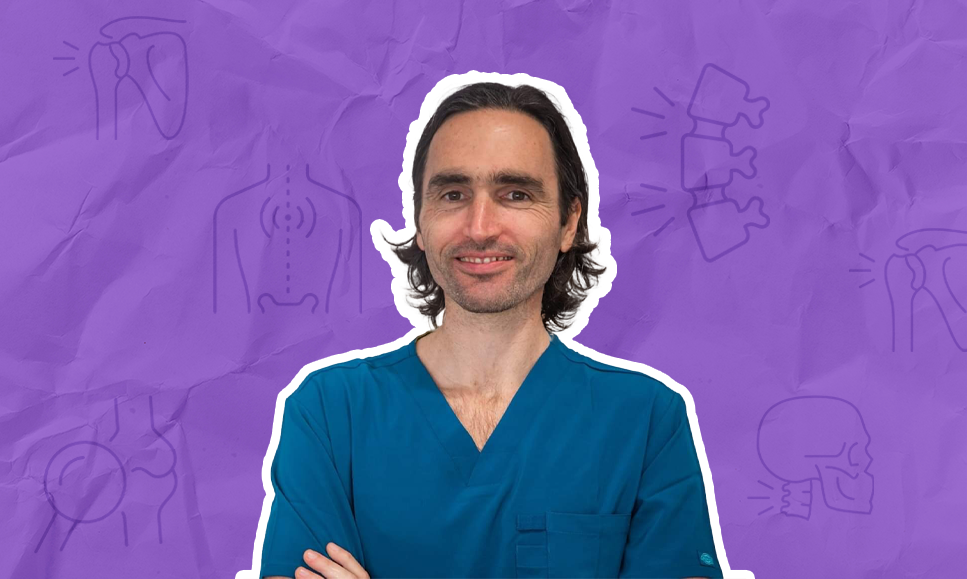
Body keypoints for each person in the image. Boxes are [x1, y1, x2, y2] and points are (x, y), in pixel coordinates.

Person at [256, 80, 724, 579]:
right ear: (421, 219)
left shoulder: (646, 420)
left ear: (569, 223)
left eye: (516, 194)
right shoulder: (330, 412)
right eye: (453, 194)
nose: (479, 227)